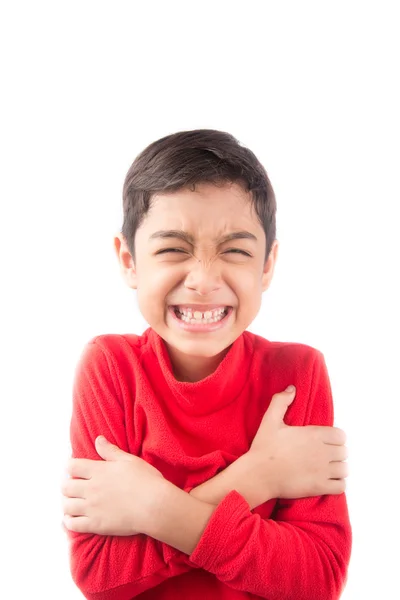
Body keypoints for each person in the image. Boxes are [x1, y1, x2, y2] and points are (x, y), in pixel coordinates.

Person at [61, 129, 352, 599]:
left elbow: (317, 579)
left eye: (235, 251)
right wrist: (257, 478)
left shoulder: (297, 375)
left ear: (267, 266)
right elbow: (99, 575)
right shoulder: (110, 366)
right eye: (173, 248)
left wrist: (152, 508)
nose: (202, 280)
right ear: (129, 260)